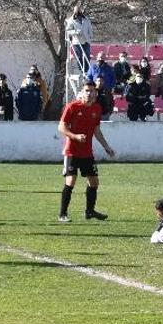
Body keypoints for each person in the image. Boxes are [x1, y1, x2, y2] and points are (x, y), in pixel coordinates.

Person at [57, 81, 116, 222]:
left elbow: (97, 131)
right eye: (87, 91)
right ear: (82, 92)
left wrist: (106, 147)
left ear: (95, 93)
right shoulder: (72, 107)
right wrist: (75, 136)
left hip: (87, 153)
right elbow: (61, 127)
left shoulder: (96, 108)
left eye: (92, 91)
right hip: (71, 151)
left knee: (94, 182)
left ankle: (90, 211)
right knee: (70, 181)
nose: (89, 94)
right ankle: (62, 214)